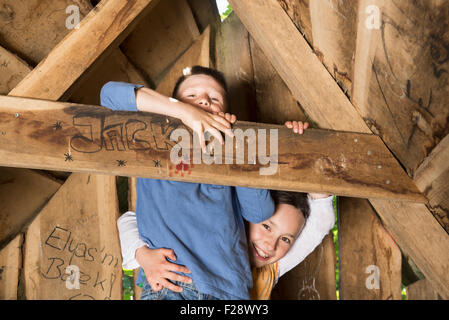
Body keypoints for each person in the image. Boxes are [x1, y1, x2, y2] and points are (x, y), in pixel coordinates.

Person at [100, 66, 276, 300]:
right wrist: (182, 111)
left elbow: (259, 211)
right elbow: (108, 94)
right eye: (191, 95)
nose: (203, 100)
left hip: (229, 292)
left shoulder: (228, 153)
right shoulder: (151, 139)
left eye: (214, 98)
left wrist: (238, 143)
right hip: (171, 284)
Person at [118, 190, 335, 300]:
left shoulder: (270, 270)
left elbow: (322, 219)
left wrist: (297, 143)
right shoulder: (202, 237)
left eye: (286, 239)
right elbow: (127, 221)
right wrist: (144, 254)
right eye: (266, 227)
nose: (270, 245)